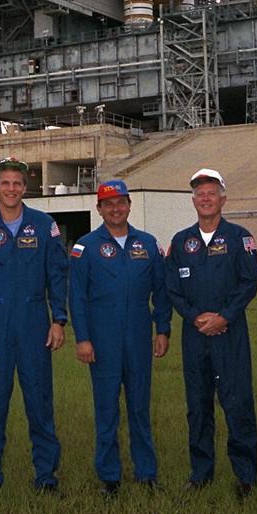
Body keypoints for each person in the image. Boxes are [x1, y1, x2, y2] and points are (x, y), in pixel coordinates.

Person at [0, 157, 68, 497]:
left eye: (16, 183)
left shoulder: (44, 225)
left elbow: (58, 276)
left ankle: (46, 478)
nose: (10, 189)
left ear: (25, 187)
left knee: (40, 404)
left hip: (35, 323)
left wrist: (59, 320)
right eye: (4, 183)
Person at [69, 179, 171, 495]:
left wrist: (163, 329)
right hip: (102, 340)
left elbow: (162, 291)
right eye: (108, 204)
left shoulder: (148, 244)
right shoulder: (84, 247)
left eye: (121, 202)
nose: (115, 209)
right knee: (107, 409)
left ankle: (147, 473)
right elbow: (76, 297)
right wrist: (83, 338)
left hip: (139, 336)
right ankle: (109, 477)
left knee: (140, 407)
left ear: (128, 205)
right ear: (99, 208)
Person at [165, 168, 257, 498]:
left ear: (223, 199)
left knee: (237, 403)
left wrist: (224, 317)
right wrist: (194, 317)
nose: (205, 199)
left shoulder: (239, 238)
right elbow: (172, 289)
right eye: (200, 194)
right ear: (193, 200)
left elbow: (249, 281)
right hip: (195, 336)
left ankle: (245, 475)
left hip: (229, 334)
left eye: (211, 193)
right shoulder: (181, 241)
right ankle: (201, 472)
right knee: (198, 406)